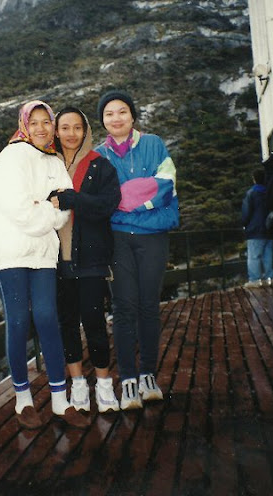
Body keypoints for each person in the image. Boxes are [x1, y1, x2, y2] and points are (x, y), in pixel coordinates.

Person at [0, 100, 88, 430]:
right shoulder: (10, 157)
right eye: (35, 122)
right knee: (18, 319)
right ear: (24, 125)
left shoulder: (55, 161)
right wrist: (47, 209)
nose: (41, 128)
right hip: (10, 251)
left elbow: (65, 205)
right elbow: (20, 209)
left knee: (46, 317)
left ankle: (60, 400)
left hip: (42, 253)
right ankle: (23, 399)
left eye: (47, 122)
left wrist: (46, 209)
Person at [96, 90, 179, 410]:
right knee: (123, 307)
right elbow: (101, 200)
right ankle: (128, 380)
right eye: (109, 113)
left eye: (122, 111)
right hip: (117, 239)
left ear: (132, 115)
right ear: (103, 120)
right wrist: (138, 196)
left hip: (152, 237)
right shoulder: (98, 156)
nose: (116, 118)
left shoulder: (154, 144)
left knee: (148, 305)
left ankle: (148, 375)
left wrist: (122, 198)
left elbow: (166, 183)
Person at [50, 107, 121, 413]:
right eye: (64, 127)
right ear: (56, 131)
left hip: (91, 259)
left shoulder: (99, 165)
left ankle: (104, 386)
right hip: (56, 262)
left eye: (77, 127)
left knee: (94, 322)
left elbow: (109, 204)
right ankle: (78, 384)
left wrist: (73, 198)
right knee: (66, 324)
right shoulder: (47, 165)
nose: (71, 133)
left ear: (85, 131)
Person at [241, 168, 273, 286]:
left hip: (255, 230)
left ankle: (255, 280)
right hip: (269, 229)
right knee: (267, 255)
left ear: (254, 179)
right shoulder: (269, 193)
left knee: (254, 257)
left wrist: (244, 224)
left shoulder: (251, 193)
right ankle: (269, 278)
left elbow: (246, 212)